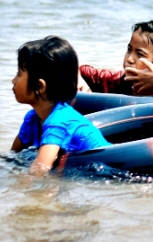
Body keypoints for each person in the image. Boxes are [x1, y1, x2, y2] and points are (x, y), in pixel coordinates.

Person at [10, 36, 111, 176]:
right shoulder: (32, 118)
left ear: (39, 86)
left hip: (110, 169)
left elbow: (39, 170)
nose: (13, 80)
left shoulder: (59, 121)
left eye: (19, 74)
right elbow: (12, 154)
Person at [77, 21, 153, 95]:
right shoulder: (118, 81)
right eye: (129, 50)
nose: (129, 59)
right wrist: (78, 78)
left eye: (140, 54)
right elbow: (69, 63)